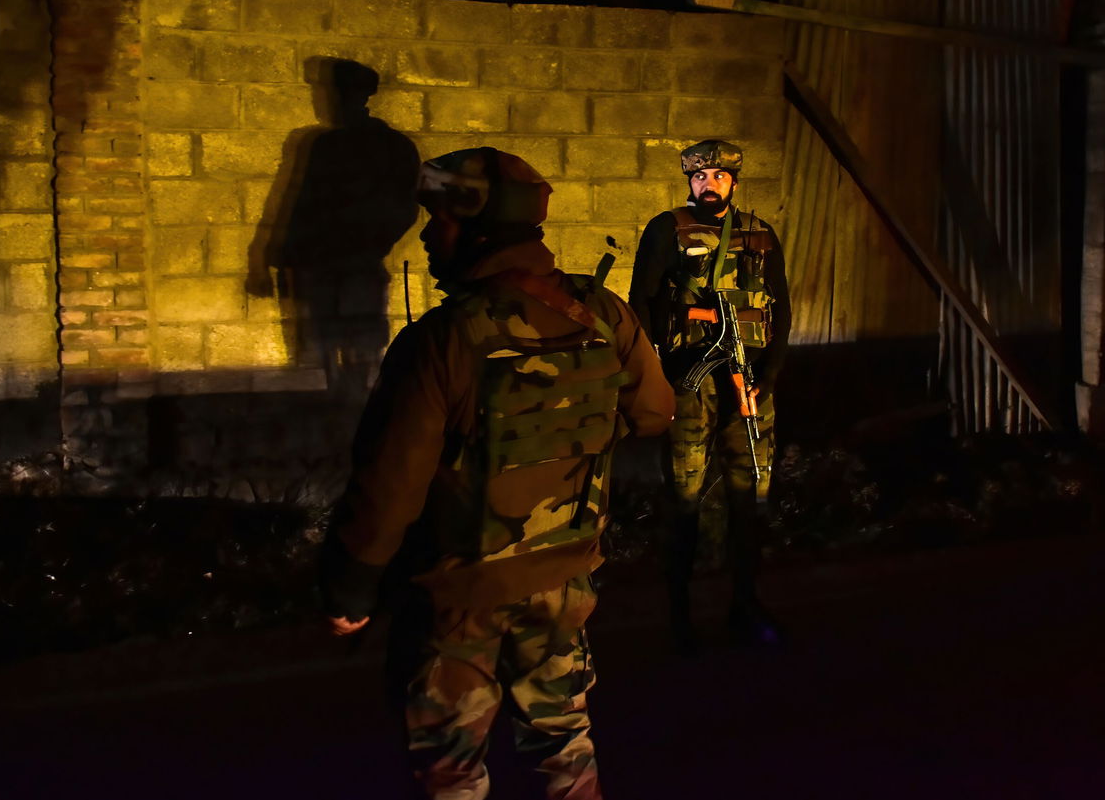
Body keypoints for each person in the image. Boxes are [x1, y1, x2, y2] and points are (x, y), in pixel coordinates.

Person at [320, 147, 674, 800]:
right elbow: (654, 412)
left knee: (453, 770)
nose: (427, 234)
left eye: (442, 219)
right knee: (564, 750)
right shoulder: (603, 313)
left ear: (480, 228)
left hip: (460, 601)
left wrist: (351, 589)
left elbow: (390, 485)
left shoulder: (446, 338)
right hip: (564, 581)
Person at [628, 139, 791, 651]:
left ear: (734, 182)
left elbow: (780, 308)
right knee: (685, 499)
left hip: (749, 386)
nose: (709, 186)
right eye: (700, 178)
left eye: (718, 177)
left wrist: (770, 375)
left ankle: (745, 601)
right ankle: (681, 613)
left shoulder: (760, 234)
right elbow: (643, 302)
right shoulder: (667, 229)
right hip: (690, 382)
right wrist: (659, 372)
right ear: (689, 182)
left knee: (749, 497)